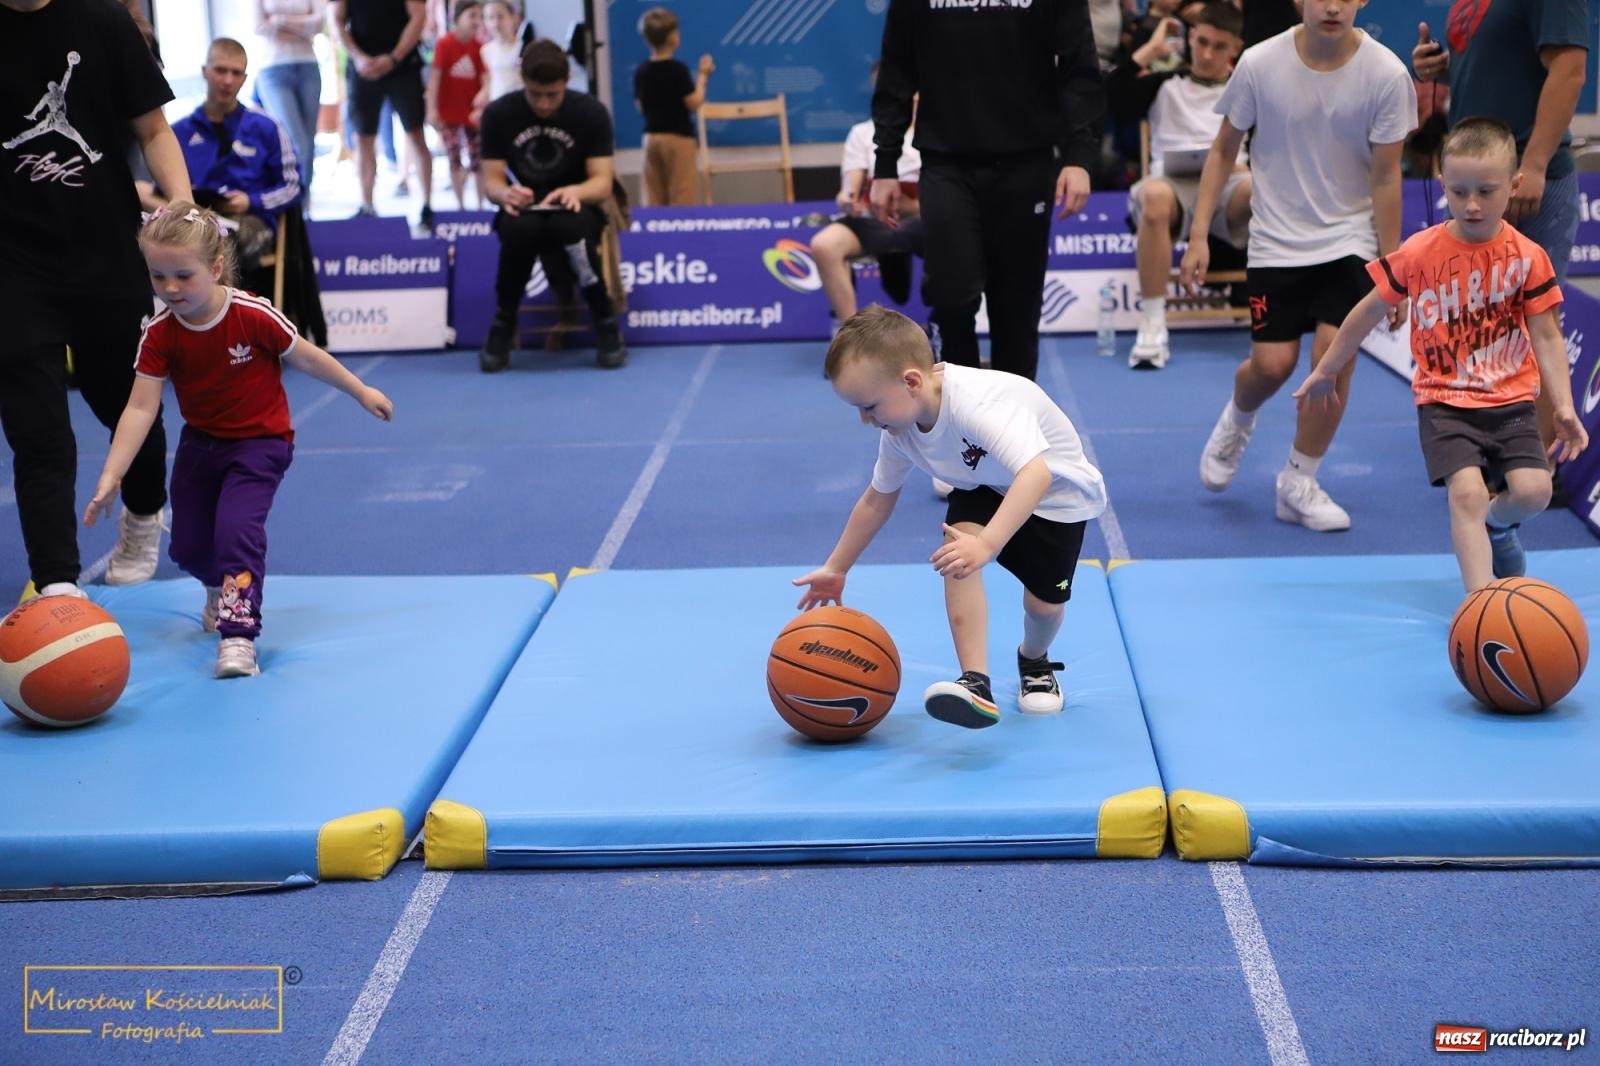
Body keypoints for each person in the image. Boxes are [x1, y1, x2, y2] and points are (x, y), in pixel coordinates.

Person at [83, 203, 393, 678]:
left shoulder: (252, 314)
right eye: (158, 275)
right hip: (201, 444)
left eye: (183, 276)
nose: (169, 288)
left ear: (217, 267)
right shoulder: (160, 332)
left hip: (260, 443)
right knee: (187, 546)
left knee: (236, 534)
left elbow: (307, 357)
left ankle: (239, 635)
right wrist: (112, 473)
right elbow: (141, 406)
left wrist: (359, 389)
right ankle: (218, 587)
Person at [1293, 118, 1588, 592]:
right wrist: (1327, 369)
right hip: (1444, 402)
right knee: (1466, 494)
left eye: (1486, 192)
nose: (1472, 204)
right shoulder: (1420, 252)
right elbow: (1366, 312)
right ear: (1441, 185)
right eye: (1459, 191)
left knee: (1534, 492)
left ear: (1514, 186)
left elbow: (1548, 336)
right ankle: (1480, 604)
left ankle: (1498, 524)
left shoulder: (1529, 256)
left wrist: (1564, 406)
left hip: (1510, 400)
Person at [794, 306, 1107, 729]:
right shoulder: (900, 430)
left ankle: (1034, 660)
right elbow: (876, 500)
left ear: (911, 382)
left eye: (869, 406)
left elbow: (1036, 474)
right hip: (984, 484)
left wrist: (988, 543)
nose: (865, 420)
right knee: (956, 552)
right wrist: (837, 567)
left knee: (1044, 606)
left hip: (1055, 498)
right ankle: (975, 682)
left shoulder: (978, 404)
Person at [1180, 0, 1416, 532]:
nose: (1332, 5)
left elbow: (1386, 177)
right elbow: (1222, 153)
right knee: (1271, 367)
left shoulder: (1387, 74)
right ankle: (1239, 416)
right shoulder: (1260, 64)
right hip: (1275, 241)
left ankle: (1298, 481)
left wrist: (1394, 267)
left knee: (1335, 358)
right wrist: (1198, 234)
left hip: (1350, 239)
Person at [0, 0, 194, 600]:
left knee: (127, 406)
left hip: (105, 254)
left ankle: (143, 511)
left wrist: (183, 212)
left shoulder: (104, 21)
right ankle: (57, 579)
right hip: (14, 266)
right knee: (38, 430)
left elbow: (154, 127)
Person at [870, 0, 1104, 382]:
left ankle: (1014, 429)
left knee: (1016, 310)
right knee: (951, 297)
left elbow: (1080, 69)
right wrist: (885, 162)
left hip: (1027, 162)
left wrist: (1079, 155)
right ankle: (958, 423)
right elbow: (897, 68)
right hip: (947, 161)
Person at [1413, 0, 1589, 481]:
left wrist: (1532, 165)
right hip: (1485, 181)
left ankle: (1541, 470)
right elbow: (1500, 66)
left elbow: (1570, 70)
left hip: (1528, 184)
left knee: (1536, 321)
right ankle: (1488, 457)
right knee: (1485, 324)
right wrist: (1443, 70)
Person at [1109, 2, 1249, 369]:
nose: (1206, 53)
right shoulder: (1163, 83)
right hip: (1171, 189)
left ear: (1235, 47)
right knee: (1153, 195)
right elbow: (1105, 99)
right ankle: (1153, 325)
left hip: (1230, 188)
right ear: (1190, 37)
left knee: (1265, 188)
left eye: (1219, 46)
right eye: (1201, 41)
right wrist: (1150, 52)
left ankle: (1273, 311)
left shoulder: (1248, 89)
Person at [477, 39, 624, 372]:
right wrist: (505, 194)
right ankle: (504, 320)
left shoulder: (591, 112)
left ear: (567, 80)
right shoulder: (499, 113)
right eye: (535, 94)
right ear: (521, 79)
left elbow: (602, 182)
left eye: (552, 95)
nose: (543, 104)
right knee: (518, 229)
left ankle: (604, 319)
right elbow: (491, 182)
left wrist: (576, 191)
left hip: (576, 205)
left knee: (571, 228)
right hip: (525, 208)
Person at [145, 38, 301, 274]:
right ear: (205, 72)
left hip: (249, 221)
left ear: (245, 79)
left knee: (211, 242)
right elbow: (162, 188)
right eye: (220, 70)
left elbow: (293, 187)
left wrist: (251, 201)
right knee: (140, 190)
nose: (228, 80)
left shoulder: (267, 127)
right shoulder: (177, 132)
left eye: (236, 73)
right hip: (194, 215)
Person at [811, 78, 923, 331]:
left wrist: (914, 206)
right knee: (824, 245)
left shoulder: (936, 134)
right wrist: (848, 199)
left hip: (924, 217)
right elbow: (850, 187)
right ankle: (851, 339)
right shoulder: (862, 133)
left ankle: (945, 331)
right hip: (874, 220)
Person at [329, 0, 435, 235]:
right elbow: (336, 20)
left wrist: (394, 58)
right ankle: (367, 205)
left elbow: (418, 17)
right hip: (362, 67)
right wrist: (358, 57)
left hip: (404, 64)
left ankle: (427, 205)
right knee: (363, 138)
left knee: (416, 134)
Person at [633, 7, 713, 207]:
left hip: (651, 138)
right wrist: (703, 77)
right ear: (672, 38)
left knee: (653, 195)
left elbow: (640, 106)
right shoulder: (678, 70)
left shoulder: (642, 71)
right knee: (682, 194)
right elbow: (693, 103)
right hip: (679, 139)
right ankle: (681, 236)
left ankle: (654, 236)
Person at [255, 0, 326, 196]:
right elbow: (259, 26)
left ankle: (303, 202)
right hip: (273, 68)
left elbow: (319, 22)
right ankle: (294, 201)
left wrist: (280, 21)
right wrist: (302, 28)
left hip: (308, 66)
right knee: (296, 140)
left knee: (309, 141)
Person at [427, 0, 487, 210]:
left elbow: (484, 79)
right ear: (458, 17)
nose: (476, 21)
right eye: (472, 15)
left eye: (479, 16)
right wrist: (431, 109)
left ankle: (480, 205)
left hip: (472, 114)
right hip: (449, 112)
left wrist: (482, 104)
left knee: (478, 160)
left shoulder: (479, 47)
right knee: (454, 159)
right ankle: (460, 205)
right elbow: (435, 78)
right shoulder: (445, 44)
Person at [477, 0, 524, 106]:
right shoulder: (485, 50)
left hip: (519, 104)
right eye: (490, 17)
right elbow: (490, 81)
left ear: (513, 18)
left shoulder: (523, 47)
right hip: (496, 106)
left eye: (500, 16)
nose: (496, 23)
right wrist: (483, 94)